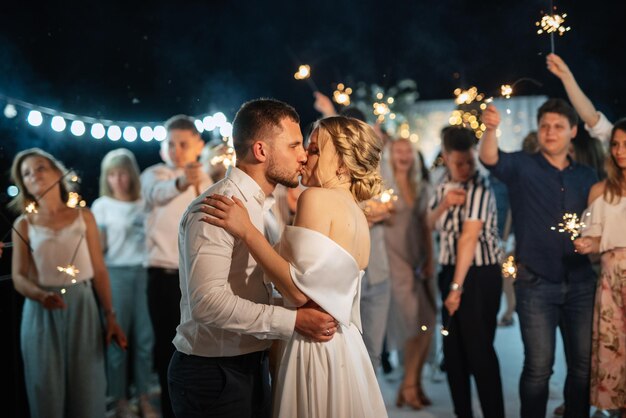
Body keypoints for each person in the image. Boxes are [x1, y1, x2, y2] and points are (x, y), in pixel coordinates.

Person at [198, 114, 388, 417]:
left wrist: (246, 230)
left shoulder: (315, 198)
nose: (304, 157)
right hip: (345, 346)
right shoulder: (358, 214)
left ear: (340, 162)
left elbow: (298, 290)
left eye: (314, 150)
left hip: (312, 344)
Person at [168, 99, 341, 418]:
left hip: (250, 362)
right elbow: (207, 303)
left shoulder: (268, 206)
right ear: (261, 151)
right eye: (293, 145)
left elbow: (253, 291)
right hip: (212, 373)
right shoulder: (217, 207)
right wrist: (294, 321)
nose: (303, 155)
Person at [480, 99, 598, 418]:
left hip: (582, 284)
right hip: (535, 283)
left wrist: (595, 240)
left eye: (559, 126)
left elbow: (605, 219)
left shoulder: (588, 177)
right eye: (545, 125)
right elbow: (489, 157)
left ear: (573, 131)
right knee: (537, 368)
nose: (550, 132)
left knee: (582, 368)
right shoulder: (521, 165)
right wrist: (490, 129)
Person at [9, 148, 127, 418]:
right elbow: (19, 276)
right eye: (26, 174)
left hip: (82, 306)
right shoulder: (24, 224)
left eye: (40, 168)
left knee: (88, 387)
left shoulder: (83, 217)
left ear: (57, 172)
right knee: (45, 390)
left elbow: (99, 270)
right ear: (23, 184)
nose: (34, 175)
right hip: (41, 312)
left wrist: (110, 316)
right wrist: (39, 295)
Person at [427, 126, 505, 418]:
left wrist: (456, 290)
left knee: (480, 350)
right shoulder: (441, 183)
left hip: (479, 274)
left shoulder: (481, 185)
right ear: (445, 157)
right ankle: (463, 412)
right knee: (454, 352)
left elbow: (468, 238)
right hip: (449, 270)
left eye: (469, 161)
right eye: (458, 162)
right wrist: (445, 204)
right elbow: (429, 223)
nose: (465, 168)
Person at [140, 114, 212, 418]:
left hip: (198, 278)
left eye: (183, 143)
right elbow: (159, 194)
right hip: (164, 276)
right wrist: (183, 181)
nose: (176, 150)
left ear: (197, 145)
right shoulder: (154, 175)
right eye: (170, 144)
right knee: (167, 348)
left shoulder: (209, 180)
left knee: (198, 348)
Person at [91, 148, 156, 418]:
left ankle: (142, 397)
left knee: (145, 338)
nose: (118, 180)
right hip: (115, 273)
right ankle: (118, 400)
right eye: (113, 174)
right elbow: (100, 248)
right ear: (107, 177)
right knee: (118, 338)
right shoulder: (101, 206)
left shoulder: (145, 202)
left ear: (132, 175)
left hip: (143, 272)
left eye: (123, 174)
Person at [574, 119, 626, 417]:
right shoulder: (601, 191)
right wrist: (586, 245)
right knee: (615, 349)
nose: (619, 151)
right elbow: (594, 239)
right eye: (616, 144)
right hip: (610, 279)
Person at [385, 137, 436, 410]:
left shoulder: (420, 186)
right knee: (412, 324)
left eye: (408, 150)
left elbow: (427, 226)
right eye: (398, 150)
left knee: (428, 320)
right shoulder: (381, 186)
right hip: (394, 262)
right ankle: (409, 384)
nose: (403, 155)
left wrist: (429, 258)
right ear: (390, 155)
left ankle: (413, 382)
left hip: (418, 261)